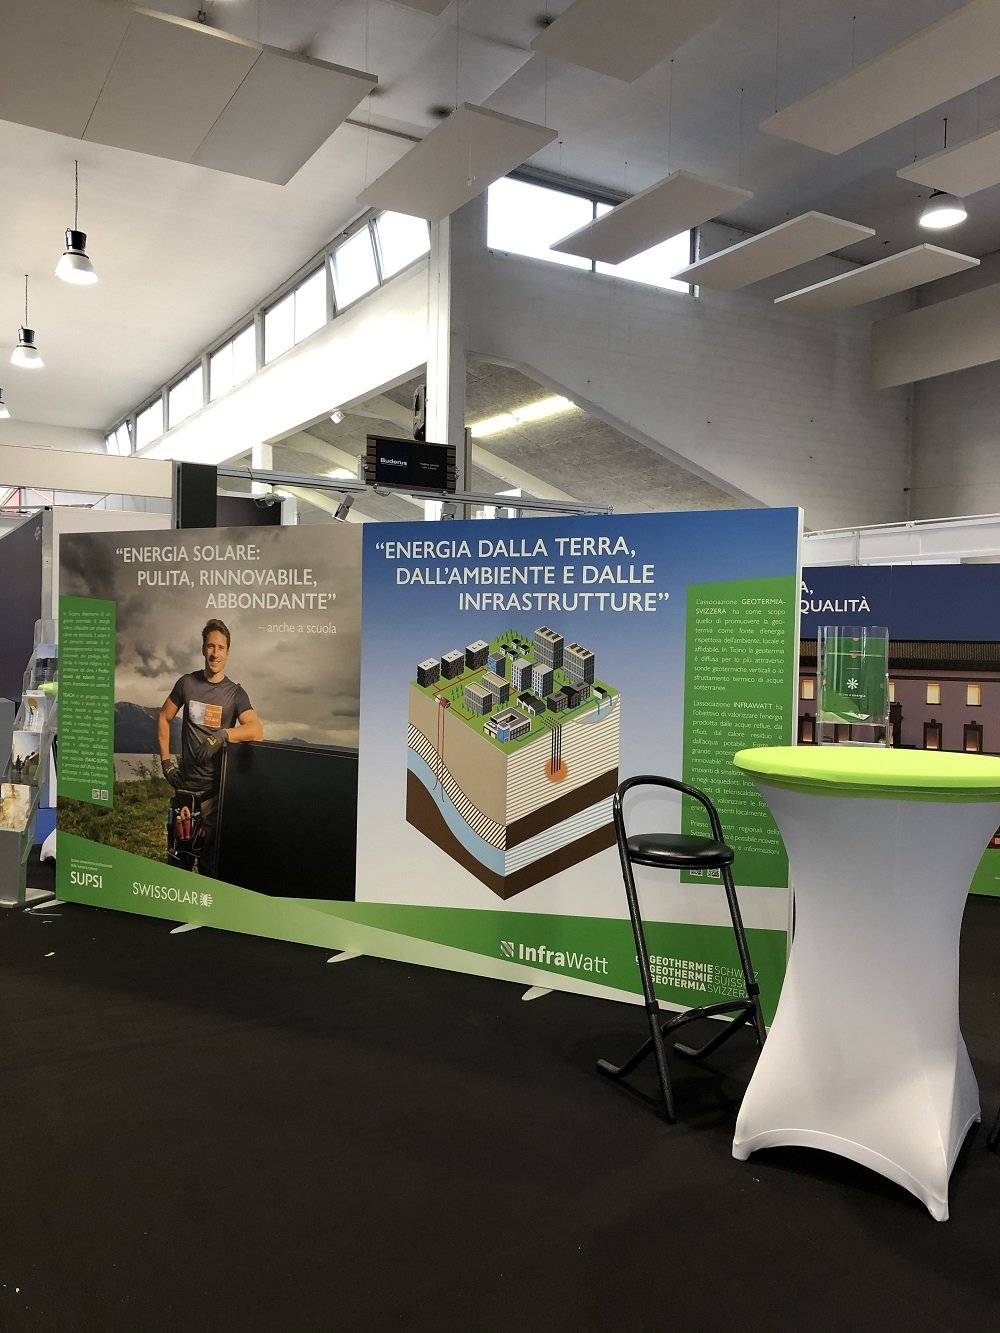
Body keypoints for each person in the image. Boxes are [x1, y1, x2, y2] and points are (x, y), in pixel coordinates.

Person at [157, 618, 263, 876]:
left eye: (221, 647)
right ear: (203, 648)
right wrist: (166, 762)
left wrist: (223, 735)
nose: (215, 653)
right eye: (210, 646)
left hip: (214, 797)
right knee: (178, 864)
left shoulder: (235, 693)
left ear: (228, 652)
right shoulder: (187, 683)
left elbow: (256, 730)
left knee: (210, 867)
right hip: (184, 791)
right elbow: (163, 717)